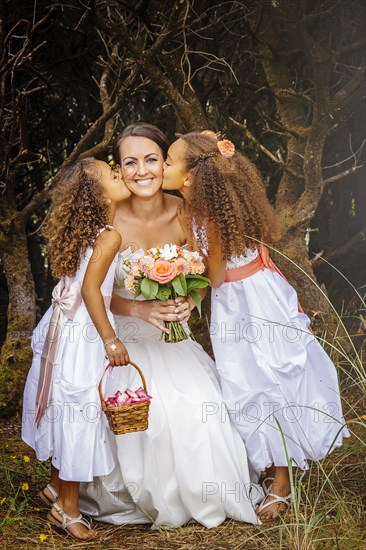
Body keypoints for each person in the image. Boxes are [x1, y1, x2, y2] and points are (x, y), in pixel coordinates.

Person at [79, 123, 260, 528]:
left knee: (198, 410)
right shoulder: (107, 216)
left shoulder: (187, 211)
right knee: (145, 417)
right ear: (120, 169)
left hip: (172, 339)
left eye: (150, 159)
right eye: (129, 162)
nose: (141, 170)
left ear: (167, 163)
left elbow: (210, 277)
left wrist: (188, 303)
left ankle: (205, 494)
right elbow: (88, 290)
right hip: (123, 343)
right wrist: (138, 310)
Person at [162, 131, 350, 520]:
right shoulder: (191, 208)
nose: (162, 166)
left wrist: (184, 274)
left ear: (189, 178)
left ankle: (281, 481)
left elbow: (212, 276)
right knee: (243, 382)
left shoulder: (210, 215)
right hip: (234, 304)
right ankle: (269, 465)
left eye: (167, 161)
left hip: (253, 302)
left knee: (267, 380)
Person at [21, 158, 131, 540]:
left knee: (66, 405)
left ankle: (55, 489)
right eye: (111, 173)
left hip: (62, 328)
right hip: (84, 331)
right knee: (79, 410)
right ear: (96, 193)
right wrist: (110, 339)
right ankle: (67, 509)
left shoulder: (83, 233)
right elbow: (89, 291)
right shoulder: (108, 235)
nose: (119, 174)